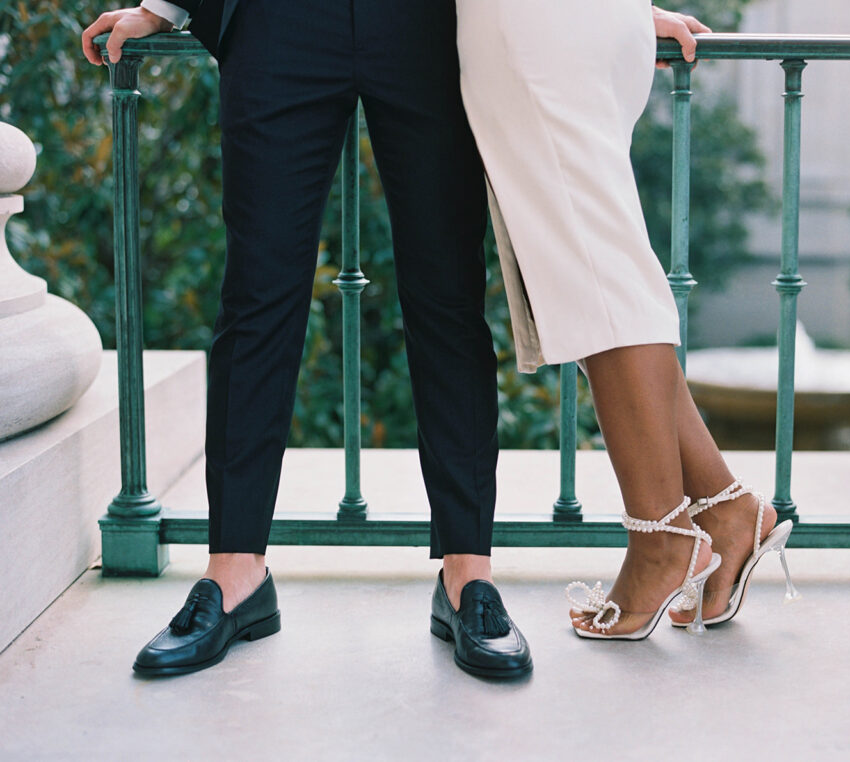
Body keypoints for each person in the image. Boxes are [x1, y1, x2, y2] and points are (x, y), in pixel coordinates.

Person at [82, 0, 536, 678]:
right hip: (279, 20)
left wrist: (608, 15)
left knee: (448, 296)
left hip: (430, 23)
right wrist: (164, 7)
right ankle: (236, 574)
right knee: (257, 296)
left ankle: (468, 576)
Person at [454, 0, 799, 638]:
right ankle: (724, 511)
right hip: (585, 24)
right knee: (598, 268)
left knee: (598, 274)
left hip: (531, 26)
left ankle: (663, 540)